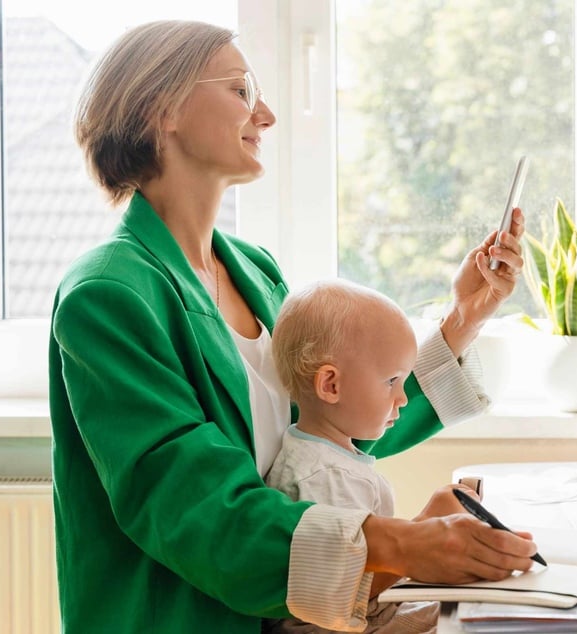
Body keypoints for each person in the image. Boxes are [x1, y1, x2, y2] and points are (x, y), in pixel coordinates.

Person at [48, 19, 532, 634]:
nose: (268, 114)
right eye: (242, 90)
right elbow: (194, 508)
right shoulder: (108, 296)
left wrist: (466, 315)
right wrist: (401, 544)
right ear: (160, 108)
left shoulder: (254, 270)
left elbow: (333, 427)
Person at [264, 279, 443, 633]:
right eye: (392, 381)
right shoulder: (320, 477)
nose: (403, 398)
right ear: (331, 385)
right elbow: (348, 593)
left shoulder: (331, 458)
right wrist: (426, 527)